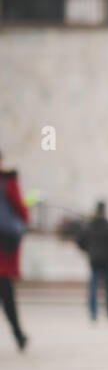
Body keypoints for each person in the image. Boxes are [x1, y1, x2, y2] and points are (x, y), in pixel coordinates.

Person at [76, 200, 108, 323]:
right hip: (107, 261)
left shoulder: (90, 226)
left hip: (95, 260)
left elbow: (80, 241)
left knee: (93, 287)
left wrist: (89, 251)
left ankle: (93, 312)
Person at [0, 149, 29, 351]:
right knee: (6, 293)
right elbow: (21, 209)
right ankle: (19, 335)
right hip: (4, 245)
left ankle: (19, 334)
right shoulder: (7, 182)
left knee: (6, 293)